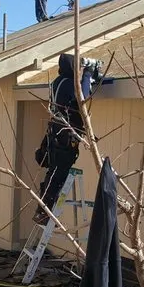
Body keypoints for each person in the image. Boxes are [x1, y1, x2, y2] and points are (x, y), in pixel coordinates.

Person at [33, 53, 100, 225]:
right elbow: (82, 97)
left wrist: (89, 77)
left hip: (57, 134)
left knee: (54, 173)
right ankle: (45, 212)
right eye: (77, 67)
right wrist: (87, 74)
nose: (79, 70)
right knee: (58, 175)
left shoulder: (58, 82)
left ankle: (42, 211)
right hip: (63, 137)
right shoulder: (68, 83)